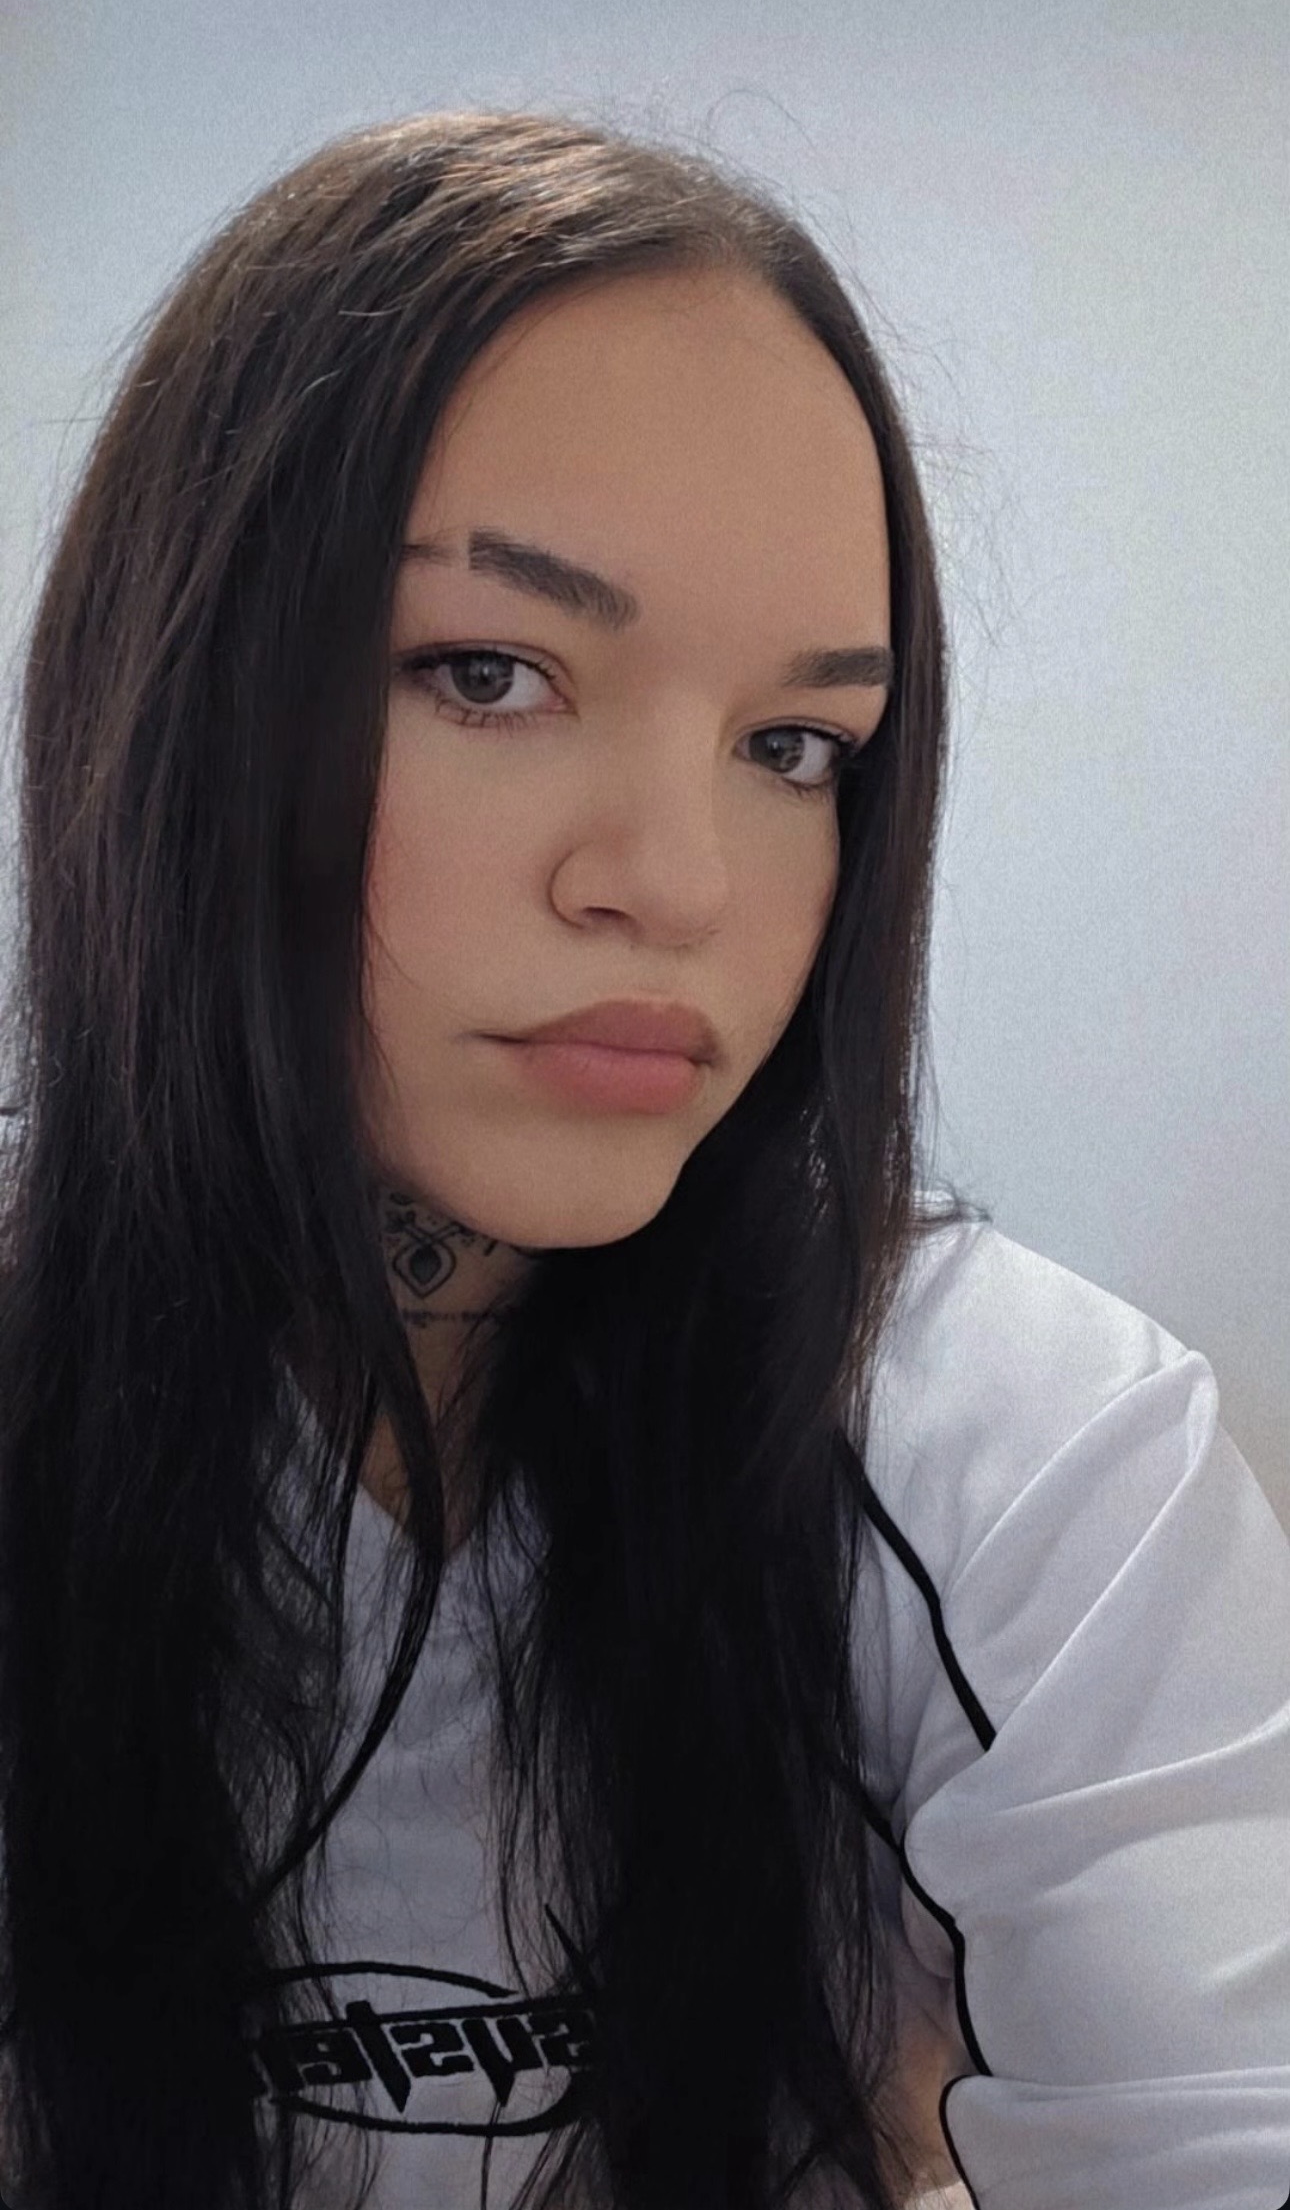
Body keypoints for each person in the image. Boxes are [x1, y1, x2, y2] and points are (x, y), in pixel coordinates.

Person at [0, 108, 1285, 2210]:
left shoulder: (1023, 1444)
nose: (681, 881)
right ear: (172, 697)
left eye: (794, 745)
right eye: (488, 672)